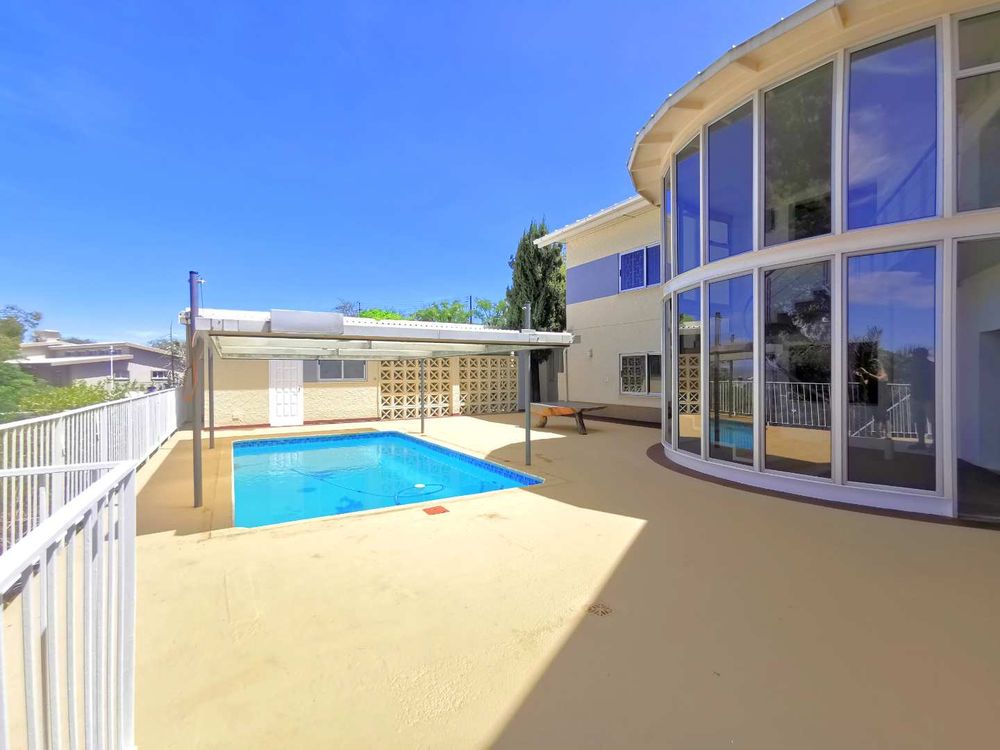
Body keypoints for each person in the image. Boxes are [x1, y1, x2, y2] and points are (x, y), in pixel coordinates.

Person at [909, 347, 934, 449]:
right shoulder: (914, 367)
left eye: (915, 355)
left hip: (928, 398)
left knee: (933, 421)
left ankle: (935, 444)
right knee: (919, 421)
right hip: (916, 397)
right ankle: (921, 443)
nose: (914, 357)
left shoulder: (931, 366)